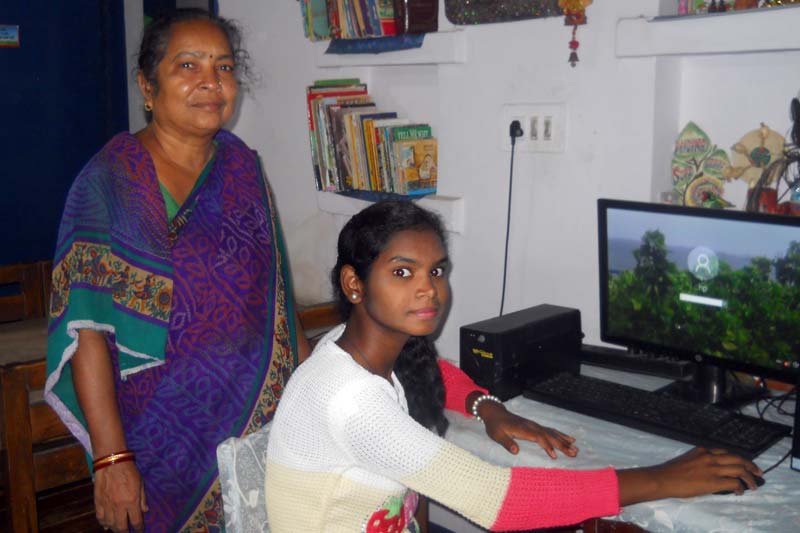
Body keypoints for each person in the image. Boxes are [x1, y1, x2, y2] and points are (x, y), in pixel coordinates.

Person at [265, 199, 763, 532]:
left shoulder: (349, 347)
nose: (428, 289)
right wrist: (663, 478)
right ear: (355, 285)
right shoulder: (351, 401)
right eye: (402, 272)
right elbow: (495, 500)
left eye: (436, 270)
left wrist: (487, 407)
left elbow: (427, 368)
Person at [45, 9, 311, 532]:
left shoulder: (244, 169)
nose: (211, 82)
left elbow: (278, 304)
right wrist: (112, 459)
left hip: (260, 420)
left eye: (224, 67)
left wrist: (312, 399)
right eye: (187, 65)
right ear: (148, 86)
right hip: (156, 437)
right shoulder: (108, 183)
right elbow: (87, 334)